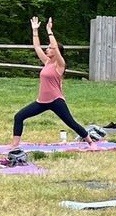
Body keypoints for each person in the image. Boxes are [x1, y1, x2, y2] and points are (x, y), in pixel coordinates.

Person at [10, 16, 92, 148]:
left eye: (49, 48)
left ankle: (90, 141)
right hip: (41, 102)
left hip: (56, 101)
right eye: (47, 47)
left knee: (71, 123)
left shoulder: (60, 65)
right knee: (19, 116)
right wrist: (35, 30)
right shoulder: (47, 62)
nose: (47, 49)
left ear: (56, 51)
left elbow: (54, 46)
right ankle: (14, 145)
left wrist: (49, 31)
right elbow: (36, 46)